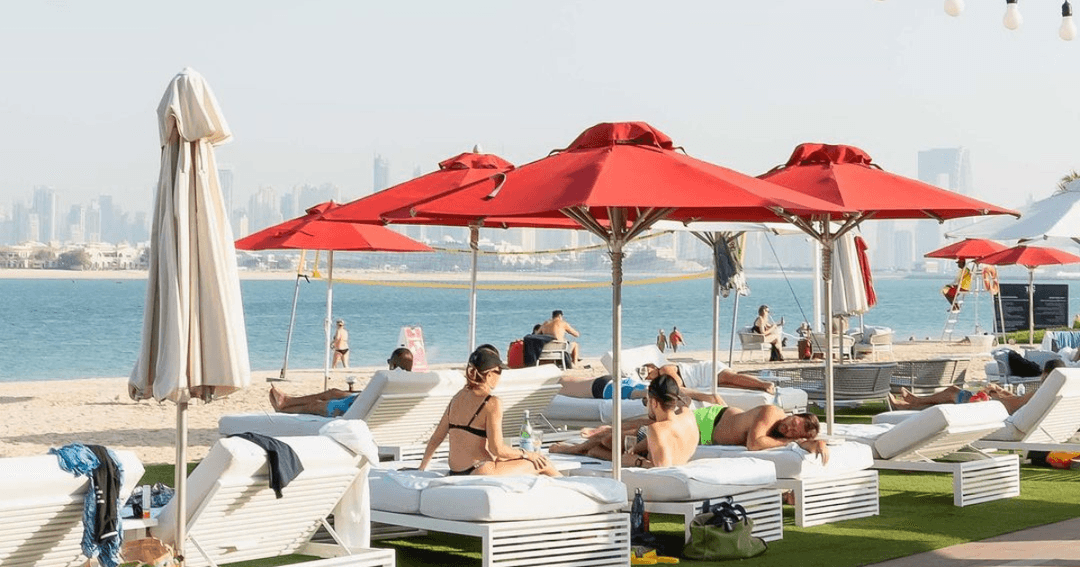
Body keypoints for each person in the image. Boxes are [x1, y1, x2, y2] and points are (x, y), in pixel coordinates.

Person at [418, 347, 561, 477]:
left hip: (455, 472)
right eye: (499, 371)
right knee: (543, 463)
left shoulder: (456, 398)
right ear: (489, 375)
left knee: (514, 459)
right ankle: (572, 490)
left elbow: (436, 439)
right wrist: (528, 454)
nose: (500, 375)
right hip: (480, 470)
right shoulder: (491, 402)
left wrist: (421, 469)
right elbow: (497, 449)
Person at [550, 375, 699, 468]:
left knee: (601, 445)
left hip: (651, 457)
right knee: (635, 427)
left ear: (654, 403)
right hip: (665, 449)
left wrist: (636, 462)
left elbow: (662, 469)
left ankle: (575, 449)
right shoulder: (688, 415)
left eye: (647, 400)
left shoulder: (657, 429)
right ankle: (594, 439)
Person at [269, 348, 415, 417]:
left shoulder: (388, 378)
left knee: (315, 405)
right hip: (360, 401)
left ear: (393, 365)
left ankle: (283, 408)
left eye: (389, 362)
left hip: (353, 408)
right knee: (332, 392)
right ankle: (288, 400)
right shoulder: (410, 383)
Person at [888, 359, 1063, 415]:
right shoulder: (1052, 393)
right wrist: (1000, 391)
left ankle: (914, 402)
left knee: (952, 391)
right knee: (950, 404)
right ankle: (911, 405)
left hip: (994, 410)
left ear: (1045, 374)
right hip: (998, 406)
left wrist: (995, 395)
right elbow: (1018, 401)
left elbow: (1015, 405)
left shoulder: (1040, 393)